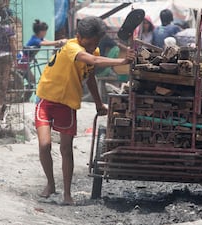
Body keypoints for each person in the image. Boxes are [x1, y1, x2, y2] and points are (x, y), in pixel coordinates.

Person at [35, 16, 135, 205]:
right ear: (79, 36)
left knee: (66, 149)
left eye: (96, 43)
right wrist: (121, 60)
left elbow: (90, 77)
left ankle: (67, 194)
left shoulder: (92, 49)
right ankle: (50, 184)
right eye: (90, 43)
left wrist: (98, 104)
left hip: (67, 104)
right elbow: (93, 59)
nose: (93, 46)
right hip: (46, 100)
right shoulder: (72, 48)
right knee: (44, 145)